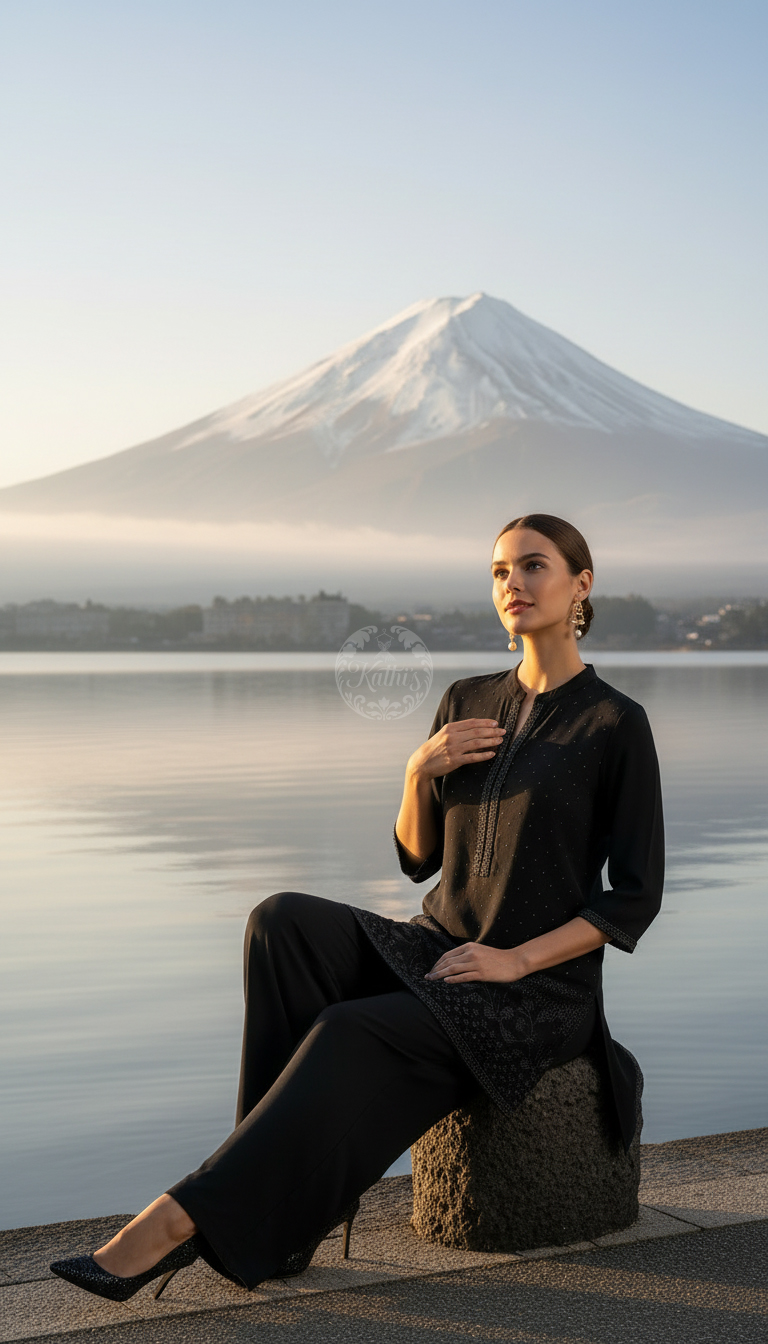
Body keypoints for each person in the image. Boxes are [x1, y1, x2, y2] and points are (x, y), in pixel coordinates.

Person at [50, 513, 664, 1301]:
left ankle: (177, 1221)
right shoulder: (466, 698)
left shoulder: (615, 723)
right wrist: (418, 770)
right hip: (439, 944)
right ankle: (279, 1213)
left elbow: (635, 896)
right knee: (280, 922)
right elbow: (421, 859)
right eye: (499, 570)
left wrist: (512, 958)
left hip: (534, 990)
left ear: (581, 585)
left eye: (534, 567)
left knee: (347, 1027)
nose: (512, 584)